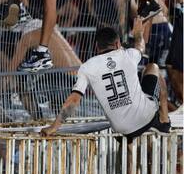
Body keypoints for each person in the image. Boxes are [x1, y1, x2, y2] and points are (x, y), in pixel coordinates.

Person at [42, 19, 171, 138]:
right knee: (153, 67)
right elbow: (140, 46)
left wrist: (54, 126)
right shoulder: (128, 54)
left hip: (122, 128)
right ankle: (164, 119)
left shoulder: (87, 67)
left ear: (97, 47)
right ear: (117, 43)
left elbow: (74, 100)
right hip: (145, 119)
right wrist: (138, 33)